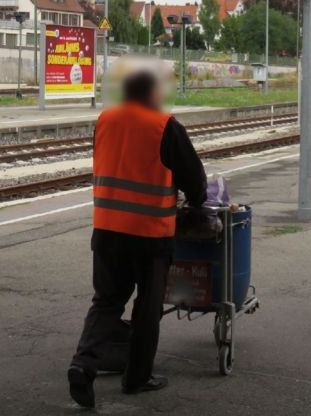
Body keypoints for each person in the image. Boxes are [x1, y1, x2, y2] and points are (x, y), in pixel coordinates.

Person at [68, 70, 206, 408]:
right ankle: (136, 378)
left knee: (106, 301)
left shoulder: (105, 120)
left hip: (107, 230)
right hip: (148, 235)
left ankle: (83, 365)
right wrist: (196, 201)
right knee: (147, 306)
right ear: (152, 93)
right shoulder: (163, 125)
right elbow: (196, 184)